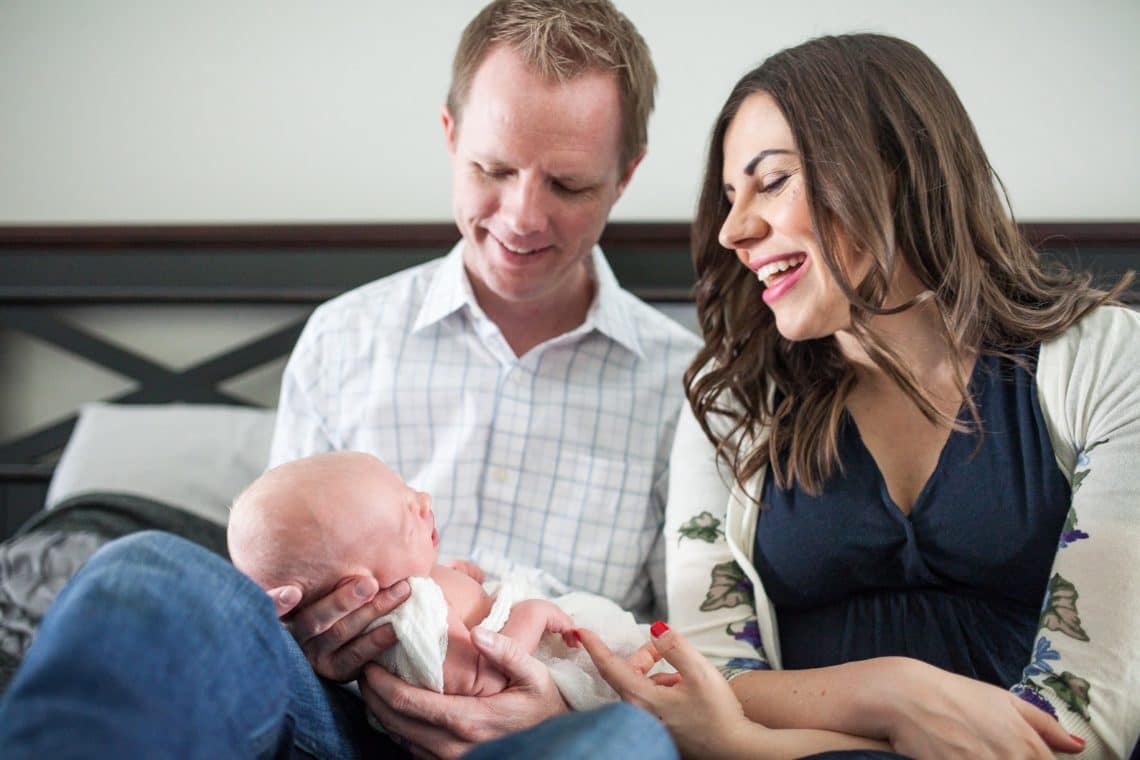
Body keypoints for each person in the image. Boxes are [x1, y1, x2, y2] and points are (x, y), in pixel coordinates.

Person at [0, 1, 699, 757]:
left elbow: (698, 655)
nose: (522, 216)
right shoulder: (345, 340)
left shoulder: (686, 385)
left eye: (567, 185)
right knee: (146, 568)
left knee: (629, 743)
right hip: (339, 717)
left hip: (553, 731)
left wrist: (555, 713)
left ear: (625, 176)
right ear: (450, 136)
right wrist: (307, 636)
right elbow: (274, 576)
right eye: (492, 170)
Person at [574, 32, 1140, 760]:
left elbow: (1081, 726)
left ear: (896, 171)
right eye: (728, 195)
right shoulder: (732, 402)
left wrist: (753, 742)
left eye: (771, 181)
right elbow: (708, 681)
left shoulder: (1109, 363)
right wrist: (892, 693)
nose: (734, 229)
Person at [228, 451, 579, 699]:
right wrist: (532, 613)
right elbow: (481, 682)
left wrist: (468, 586)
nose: (425, 499)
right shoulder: (409, 613)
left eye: (409, 490)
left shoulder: (410, 584)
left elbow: (453, 617)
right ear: (359, 586)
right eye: (407, 516)